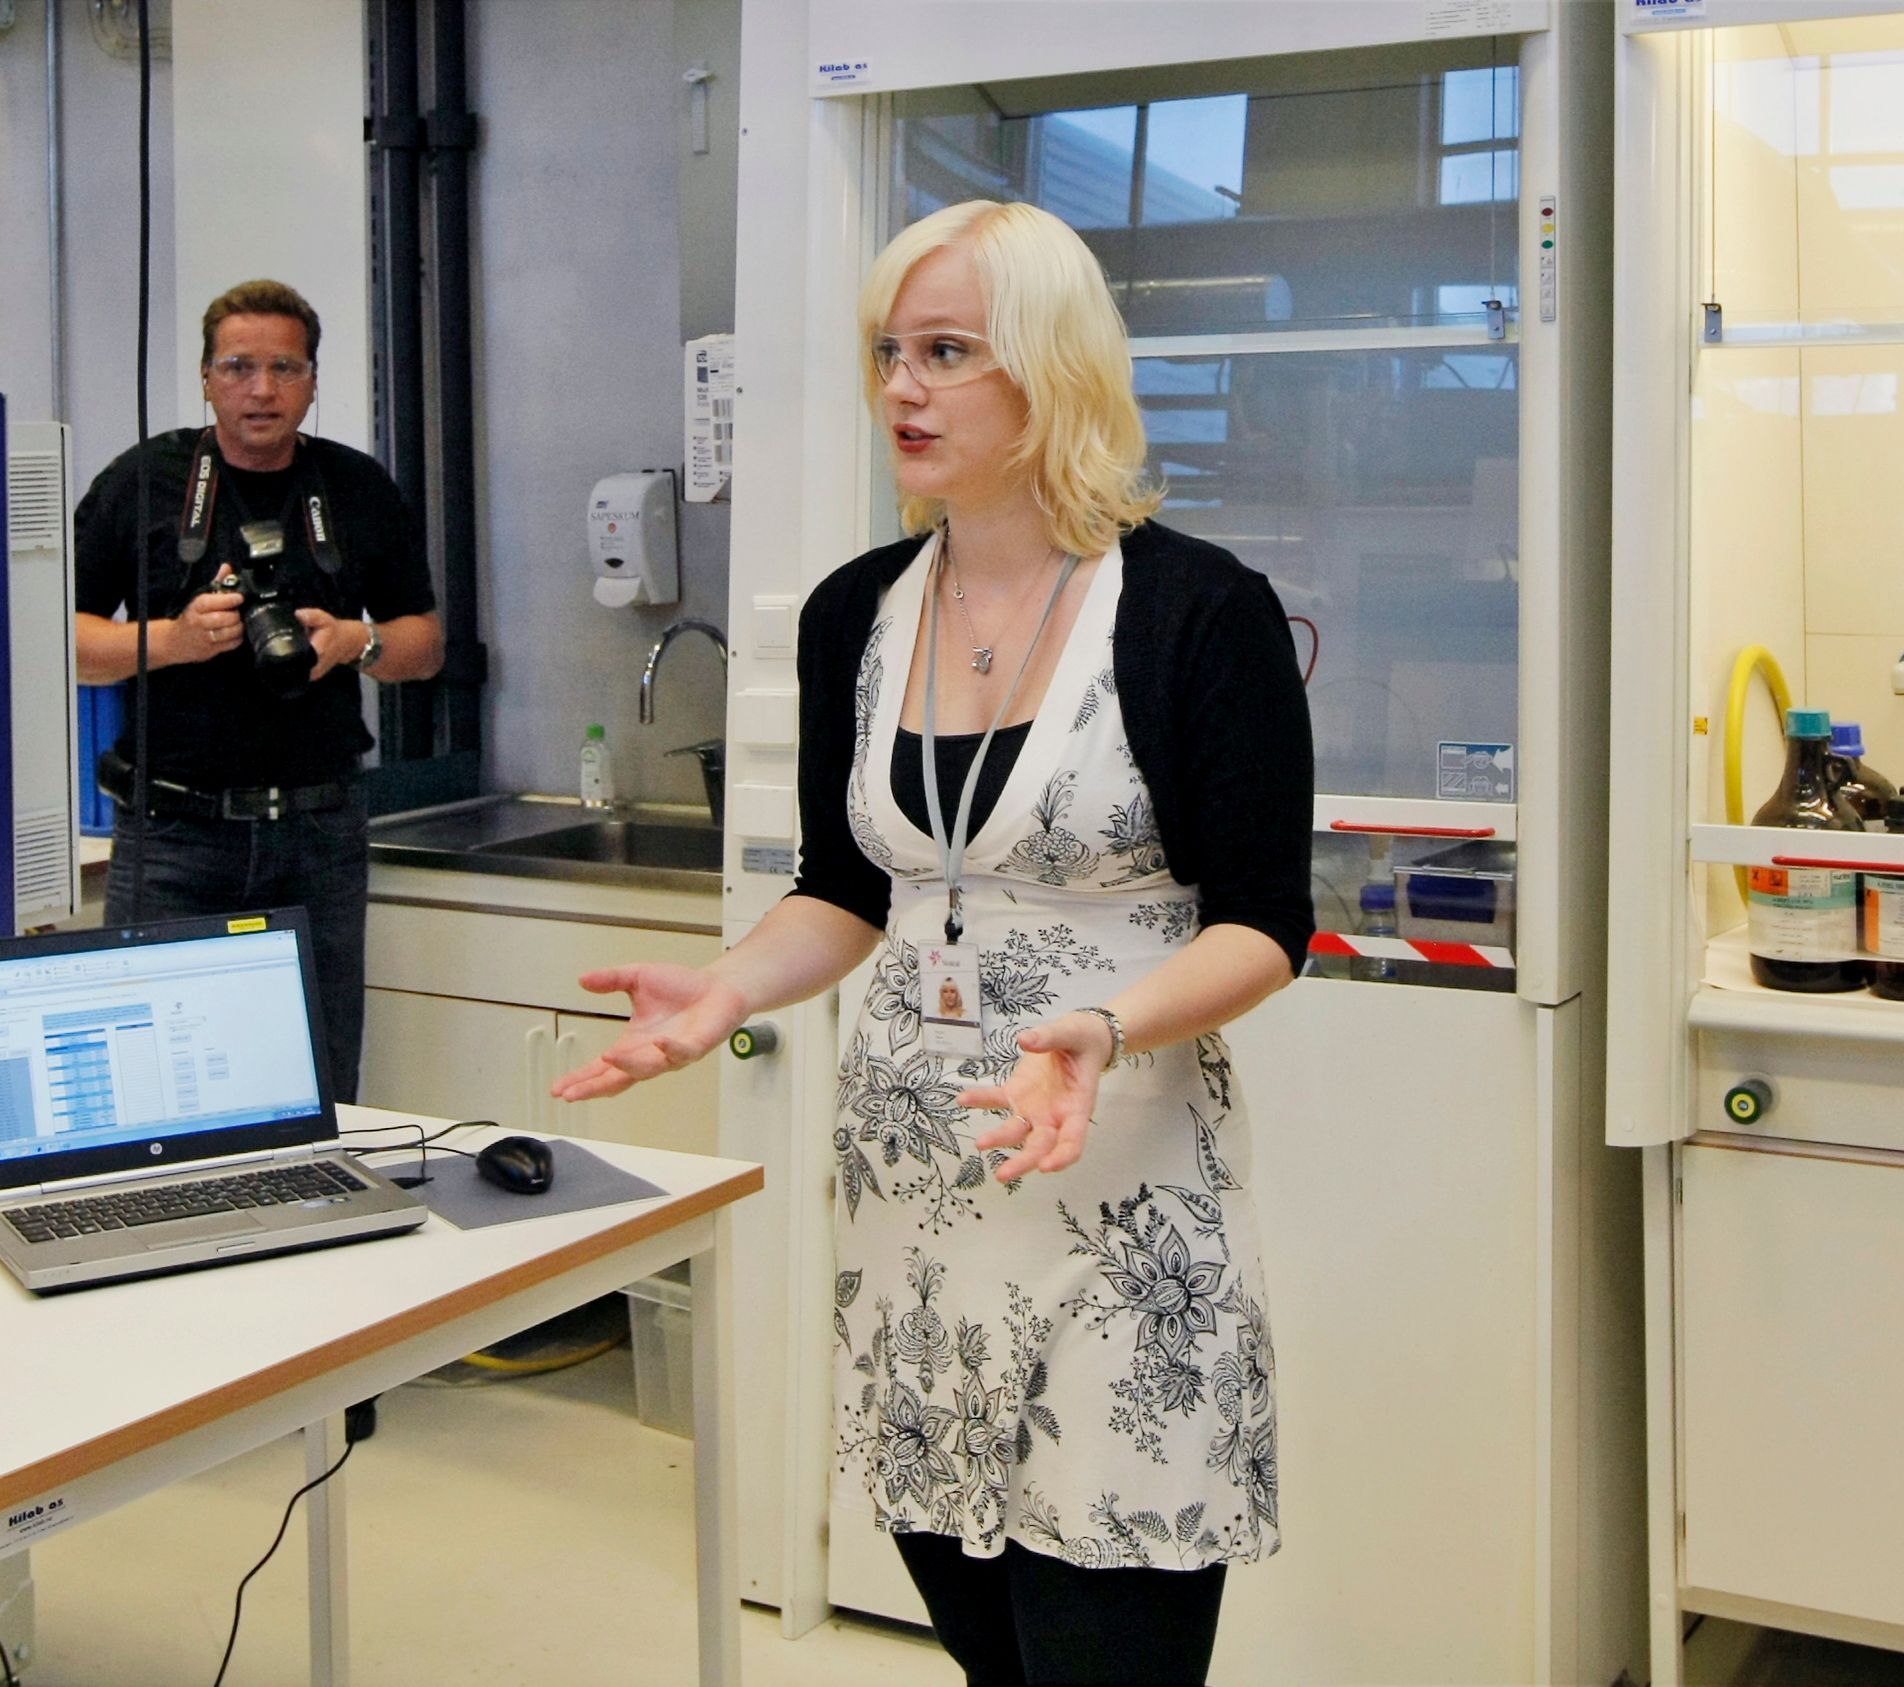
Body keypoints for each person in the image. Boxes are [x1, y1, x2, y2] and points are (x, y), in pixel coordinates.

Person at [556, 200, 1313, 1687]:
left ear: (1049, 366)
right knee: (987, 1653)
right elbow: (844, 887)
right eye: (887, 353)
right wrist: (724, 987)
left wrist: (1104, 1026)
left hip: (1120, 1192)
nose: (900, 386)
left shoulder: (1196, 609)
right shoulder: (856, 612)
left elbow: (1265, 923)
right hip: (911, 1200)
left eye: (947, 351)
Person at [70, 279, 444, 1106]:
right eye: (239, 367)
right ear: (206, 378)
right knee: (151, 1090)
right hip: (172, 834)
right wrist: (170, 641)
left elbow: (424, 644)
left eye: (285, 368)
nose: (262, 389)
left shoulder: (354, 487)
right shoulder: (145, 481)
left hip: (317, 833)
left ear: (313, 382)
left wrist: (354, 642)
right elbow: (58, 640)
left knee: (316, 1087)